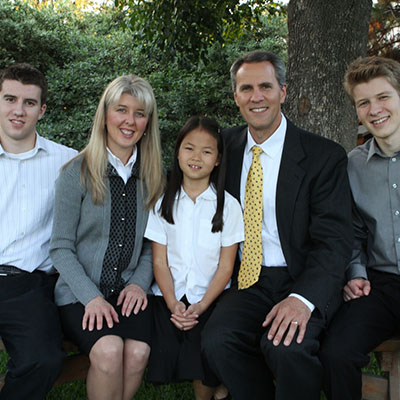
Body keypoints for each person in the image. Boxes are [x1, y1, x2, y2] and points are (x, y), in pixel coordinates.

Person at [201, 49, 354, 400]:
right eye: (247, 88)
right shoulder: (224, 148)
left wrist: (302, 299)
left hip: (302, 277)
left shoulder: (323, 157)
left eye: (266, 87)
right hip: (247, 280)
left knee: (286, 348)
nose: (256, 97)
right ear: (236, 96)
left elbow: (334, 242)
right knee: (217, 341)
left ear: (283, 92)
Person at [50, 74, 164, 400]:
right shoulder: (77, 172)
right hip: (79, 294)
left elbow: (152, 245)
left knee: (138, 353)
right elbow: (60, 247)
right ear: (105, 115)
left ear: (147, 123)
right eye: (121, 110)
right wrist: (93, 298)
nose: (130, 121)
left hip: (128, 291)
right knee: (109, 350)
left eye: (139, 114)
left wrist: (139, 284)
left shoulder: (154, 177)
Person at [144, 116, 244, 400]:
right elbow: (159, 262)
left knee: (204, 342)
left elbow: (226, 266)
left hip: (211, 296)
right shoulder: (162, 203)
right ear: (177, 153)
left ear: (218, 159)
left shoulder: (228, 206)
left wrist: (201, 305)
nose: (196, 157)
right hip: (169, 295)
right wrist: (173, 303)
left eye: (207, 151)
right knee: (166, 339)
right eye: (189, 148)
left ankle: (211, 394)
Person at [319, 56, 400, 400]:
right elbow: (351, 231)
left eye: (383, 97)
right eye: (363, 102)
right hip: (381, 287)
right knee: (335, 353)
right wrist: (355, 273)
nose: (374, 110)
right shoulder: (352, 166)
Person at [0, 63, 77, 399]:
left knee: (43, 360)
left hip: (27, 285)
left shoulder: (67, 162)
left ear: (42, 110)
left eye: (29, 102)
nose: (18, 110)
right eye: (10, 99)